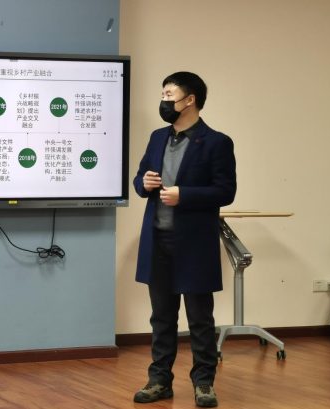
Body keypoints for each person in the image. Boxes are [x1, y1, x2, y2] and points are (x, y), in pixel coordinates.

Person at [132, 72, 237, 407]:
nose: (164, 101)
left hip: (194, 245)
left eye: (169, 95)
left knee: (200, 320)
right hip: (158, 241)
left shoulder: (217, 142)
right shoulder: (157, 137)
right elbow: (139, 179)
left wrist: (185, 195)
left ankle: (204, 383)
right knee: (162, 317)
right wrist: (144, 183)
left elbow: (226, 191)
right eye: (162, 95)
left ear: (189, 100)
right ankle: (159, 381)